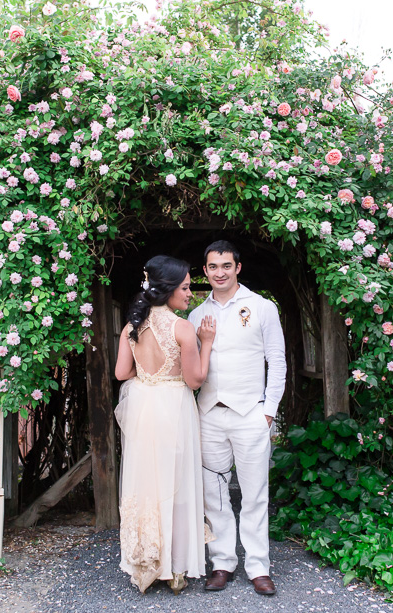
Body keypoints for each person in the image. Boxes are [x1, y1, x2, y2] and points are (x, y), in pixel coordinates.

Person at [188, 240, 286, 596]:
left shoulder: (261, 308)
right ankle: (222, 562)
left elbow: (277, 360)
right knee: (213, 493)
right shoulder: (196, 316)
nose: (220, 273)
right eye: (213, 267)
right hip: (210, 415)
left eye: (226, 266)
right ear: (205, 271)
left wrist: (268, 411)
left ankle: (258, 566)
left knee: (256, 493)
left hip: (250, 414)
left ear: (238, 268)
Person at [114, 255, 217, 594]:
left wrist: (146, 375)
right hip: (173, 408)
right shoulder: (182, 328)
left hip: (144, 408)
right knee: (177, 483)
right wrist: (208, 345)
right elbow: (195, 380)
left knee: (146, 484)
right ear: (169, 289)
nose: (190, 294)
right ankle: (175, 569)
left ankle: (145, 562)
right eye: (186, 287)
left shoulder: (132, 325)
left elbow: (120, 374)